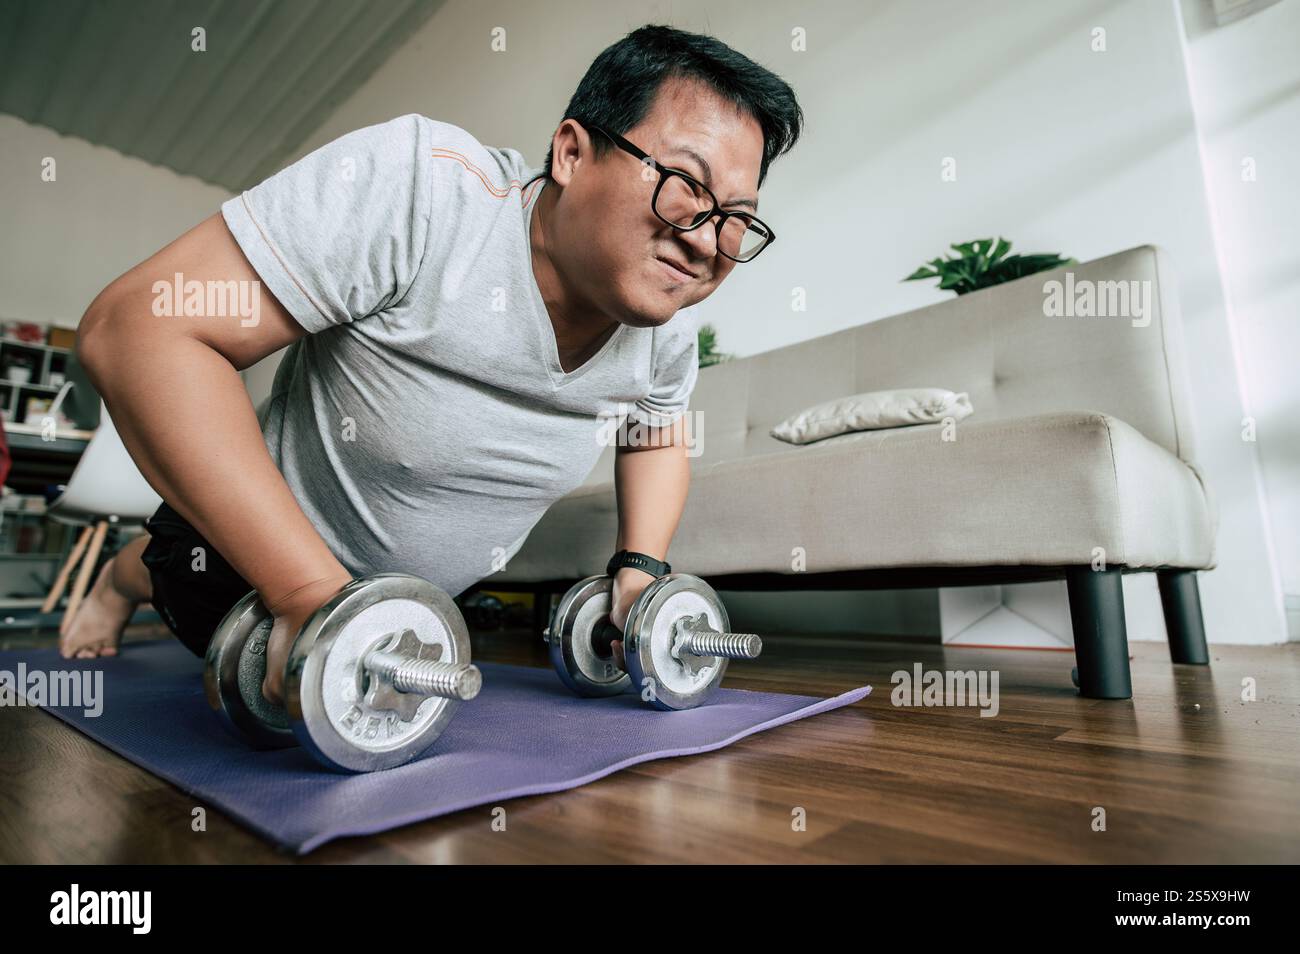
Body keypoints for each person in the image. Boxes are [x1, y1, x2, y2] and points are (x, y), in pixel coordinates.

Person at [59, 24, 803, 708]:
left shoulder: (664, 319)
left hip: (415, 600)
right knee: (175, 576)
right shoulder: (423, 191)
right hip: (241, 563)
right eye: (688, 187)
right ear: (572, 153)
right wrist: (308, 593)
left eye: (738, 217)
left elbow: (658, 429)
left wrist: (640, 566)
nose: (710, 242)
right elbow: (135, 332)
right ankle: (121, 580)